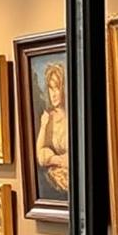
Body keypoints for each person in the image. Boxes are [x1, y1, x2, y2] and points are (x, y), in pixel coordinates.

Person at [36, 61, 69, 194]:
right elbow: (41, 156)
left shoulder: (74, 116)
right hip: (55, 181)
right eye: (50, 88)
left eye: (57, 88)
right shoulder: (48, 118)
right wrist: (58, 160)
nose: (53, 94)